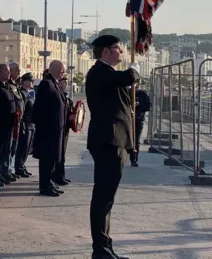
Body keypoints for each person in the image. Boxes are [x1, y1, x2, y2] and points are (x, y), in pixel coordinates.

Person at [86, 34, 140, 259]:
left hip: (116, 141)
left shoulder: (107, 74)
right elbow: (126, 78)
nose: (122, 52)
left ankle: (105, 246)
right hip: (109, 142)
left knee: (107, 198)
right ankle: (100, 249)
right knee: (103, 198)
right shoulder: (99, 72)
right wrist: (134, 70)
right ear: (105, 51)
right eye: (119, 48)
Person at [33, 60, 67, 197]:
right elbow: (40, 108)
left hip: (56, 129)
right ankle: (45, 186)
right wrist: (45, 126)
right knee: (47, 160)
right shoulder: (46, 84)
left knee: (53, 159)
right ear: (53, 69)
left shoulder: (55, 84)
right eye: (61, 69)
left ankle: (50, 183)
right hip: (48, 130)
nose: (63, 72)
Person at [53, 77, 74, 185]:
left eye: (66, 82)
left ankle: (61, 175)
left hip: (65, 128)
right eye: (63, 82)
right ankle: (56, 177)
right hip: (58, 128)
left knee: (62, 154)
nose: (65, 84)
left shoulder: (66, 97)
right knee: (57, 154)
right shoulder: (57, 94)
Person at [14, 72, 35, 177]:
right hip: (25, 123)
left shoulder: (28, 93)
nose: (32, 82)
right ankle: (19, 167)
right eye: (31, 80)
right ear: (25, 82)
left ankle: (22, 165)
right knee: (23, 147)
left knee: (27, 148)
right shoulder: (22, 93)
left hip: (31, 124)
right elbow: (22, 109)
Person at [130, 85, 151, 167]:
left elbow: (147, 106)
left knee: (136, 140)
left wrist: (139, 104)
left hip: (138, 119)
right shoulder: (126, 93)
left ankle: (134, 159)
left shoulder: (142, 94)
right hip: (126, 120)